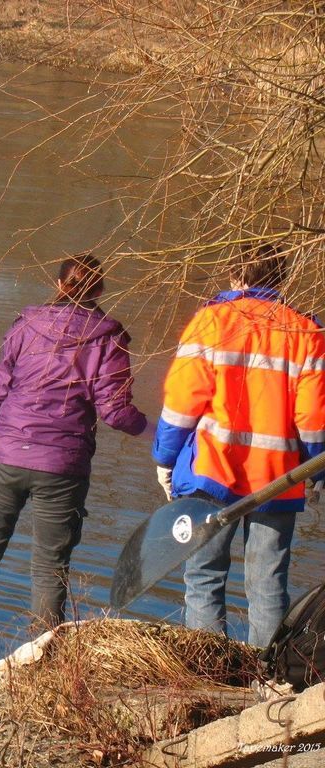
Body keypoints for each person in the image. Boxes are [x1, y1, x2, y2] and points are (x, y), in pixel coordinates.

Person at [0, 254, 149, 679]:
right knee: (50, 564)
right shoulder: (108, 338)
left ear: (58, 282)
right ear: (100, 290)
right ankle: (41, 670)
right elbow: (116, 411)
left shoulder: (26, 325)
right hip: (61, 466)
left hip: (4, 454)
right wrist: (159, 435)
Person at [152, 243, 325, 647]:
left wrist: (164, 457)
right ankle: (270, 683)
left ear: (235, 277)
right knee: (267, 584)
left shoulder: (210, 322)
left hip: (211, 473)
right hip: (278, 479)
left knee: (203, 578)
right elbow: (314, 420)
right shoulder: (307, 331)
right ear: (282, 279)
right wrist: (317, 468)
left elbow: (181, 404)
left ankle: (209, 676)